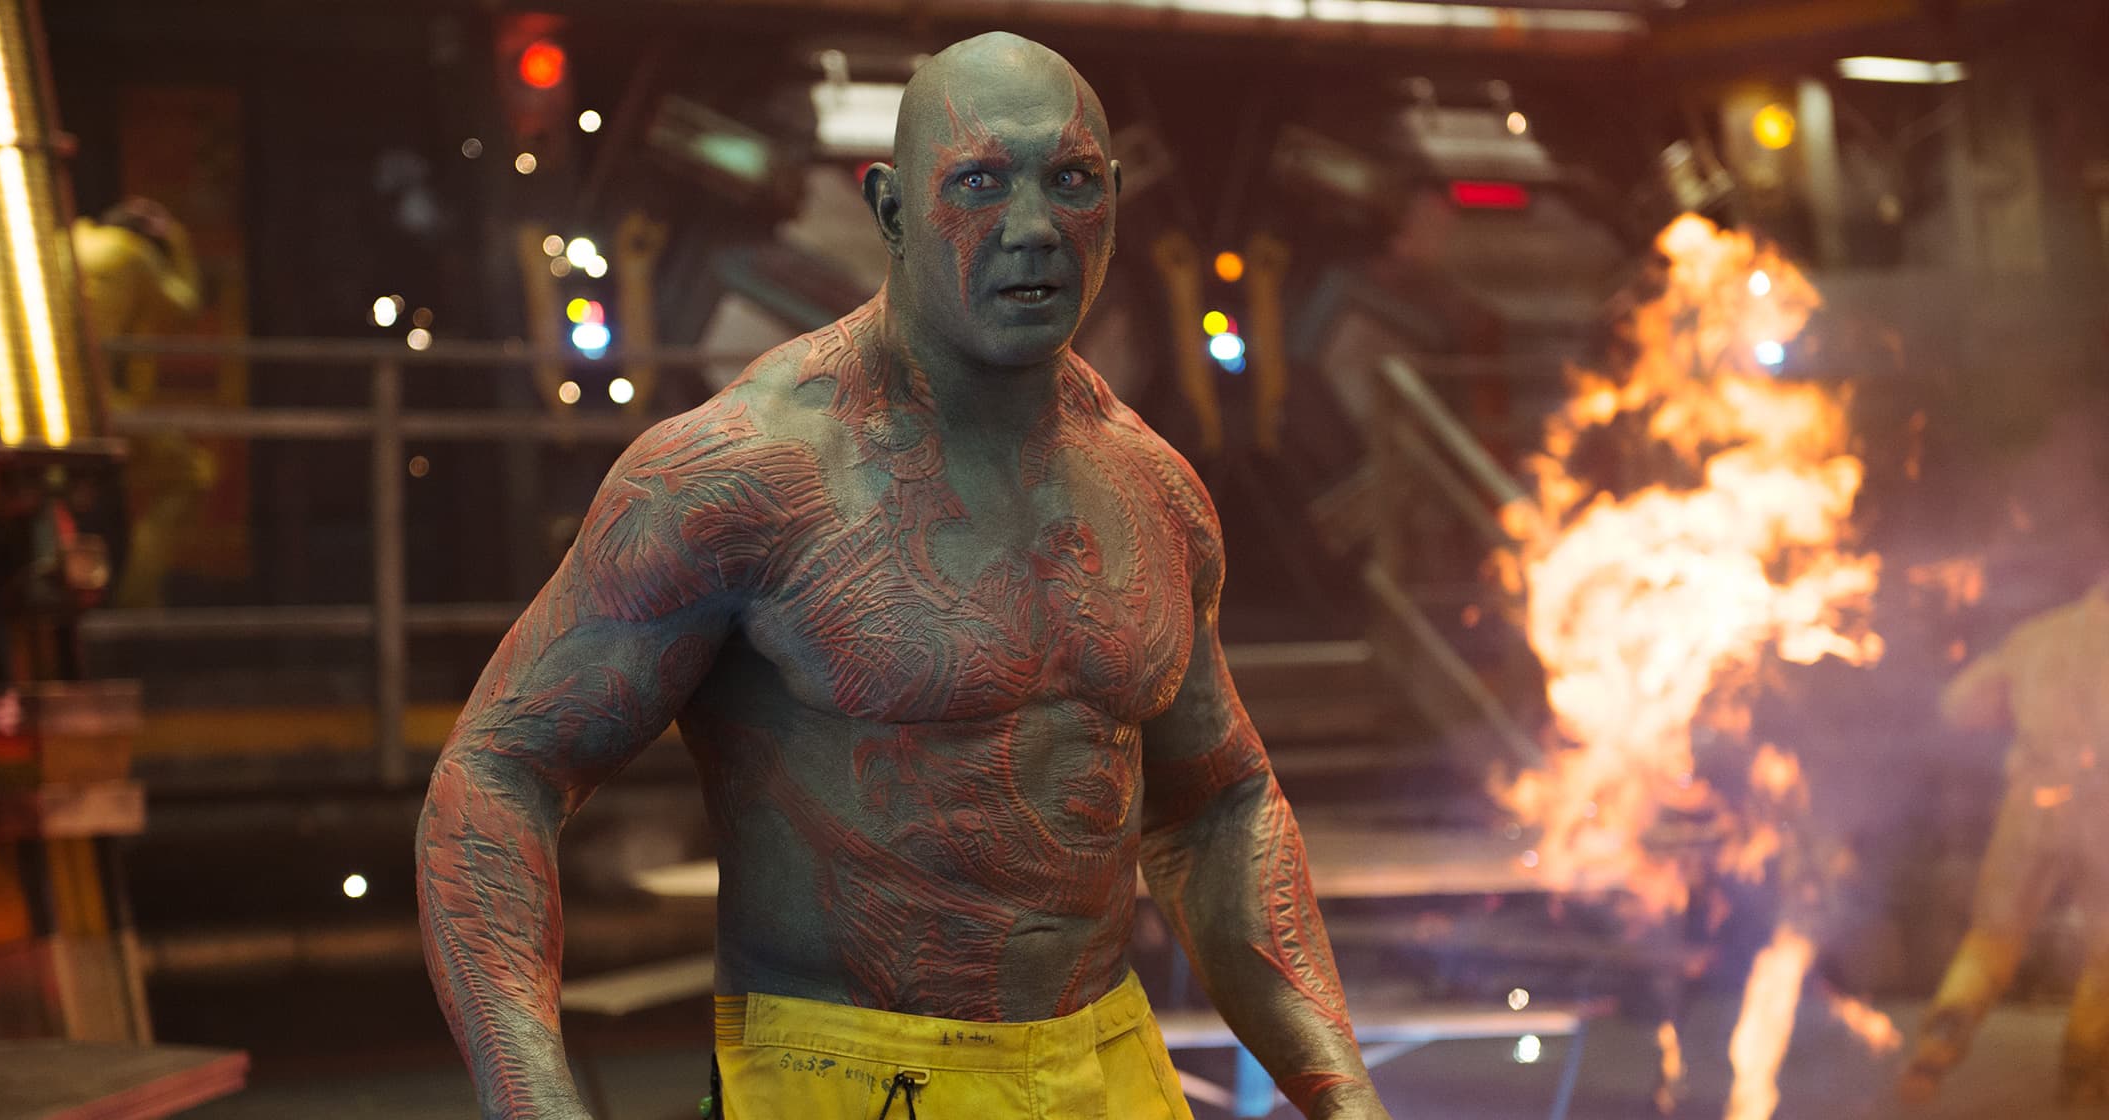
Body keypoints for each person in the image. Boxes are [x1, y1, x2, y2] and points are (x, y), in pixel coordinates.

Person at [416, 32, 1389, 1120]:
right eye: (979, 181)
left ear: (1115, 200)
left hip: (1109, 1072)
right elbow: (497, 773)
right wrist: (534, 1104)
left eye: (1071, 181)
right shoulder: (744, 472)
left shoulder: (1153, 491)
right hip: (841, 1084)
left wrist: (1345, 1098)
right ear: (888, 210)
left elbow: (1218, 806)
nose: (1034, 226)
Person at [1900, 575, 2109, 1107]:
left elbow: (1960, 705)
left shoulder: (2035, 636)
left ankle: (1937, 1049)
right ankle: (2086, 1072)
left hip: (2030, 803)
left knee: (1993, 937)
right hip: (2101, 812)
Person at [71, 198, 212, 609]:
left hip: (43, 396)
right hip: (94, 399)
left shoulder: (72, 237)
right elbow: (186, 305)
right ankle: (138, 603)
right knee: (191, 474)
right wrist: (177, 241)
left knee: (96, 480)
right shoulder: (135, 254)